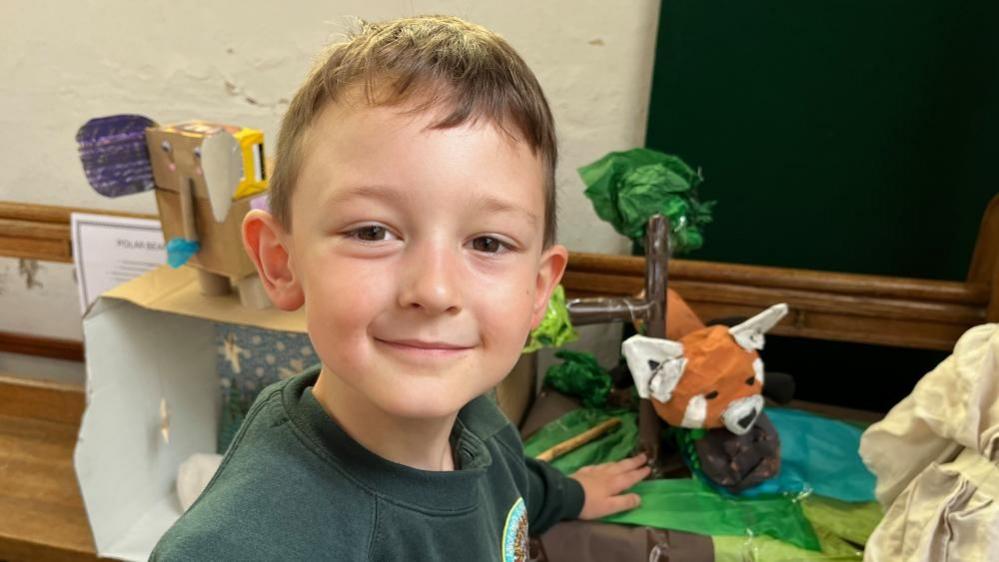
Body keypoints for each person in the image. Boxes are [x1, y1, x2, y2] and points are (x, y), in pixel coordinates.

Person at [152, 15, 649, 561]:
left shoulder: (475, 418)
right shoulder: (239, 548)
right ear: (281, 262)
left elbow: (513, 484)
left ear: (537, 291)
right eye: (372, 232)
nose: (434, 291)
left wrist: (575, 494)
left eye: (487, 243)